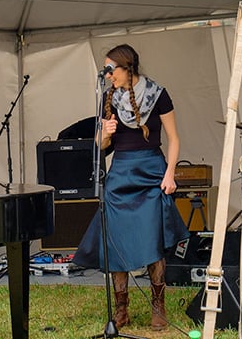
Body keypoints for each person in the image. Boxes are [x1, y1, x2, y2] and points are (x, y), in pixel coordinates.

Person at [73, 44, 189, 331]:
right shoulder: (108, 98)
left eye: (111, 69)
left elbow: (174, 138)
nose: (108, 75)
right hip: (121, 174)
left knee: (152, 240)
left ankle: (158, 306)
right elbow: (101, 146)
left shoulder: (158, 94)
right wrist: (105, 134)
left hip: (151, 172)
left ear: (128, 68)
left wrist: (170, 174)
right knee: (117, 241)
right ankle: (121, 309)